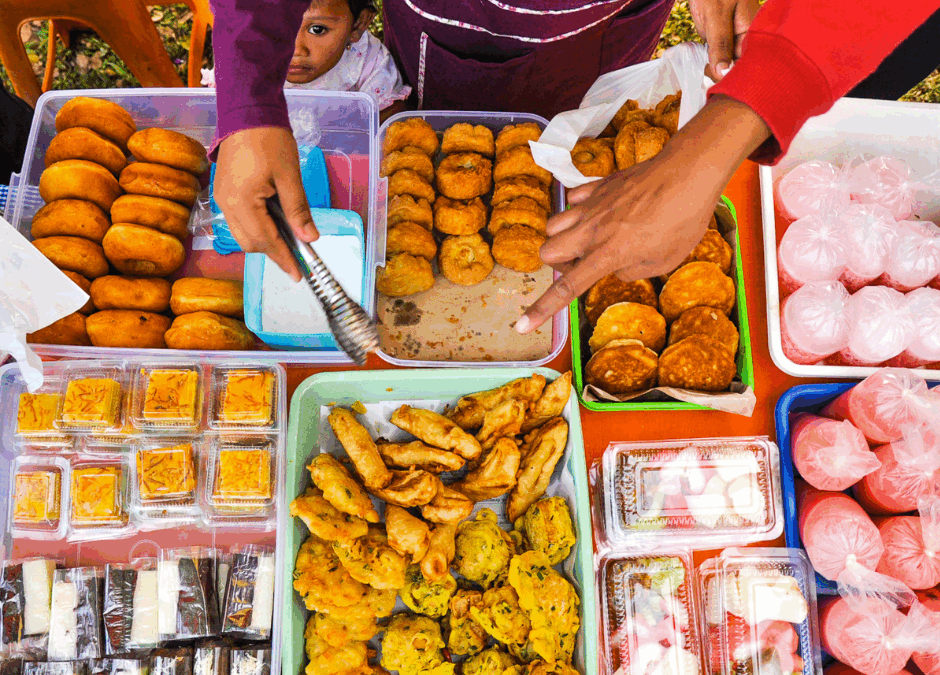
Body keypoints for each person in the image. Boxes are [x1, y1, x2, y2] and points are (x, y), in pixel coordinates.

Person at [210, 0, 940, 330]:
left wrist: (728, 127)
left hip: (603, 20)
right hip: (456, 23)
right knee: (464, 97)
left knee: (582, 91)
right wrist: (246, 87)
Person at [201, 0, 410, 117]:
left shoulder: (368, 62)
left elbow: (391, 118)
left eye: (317, 29)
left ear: (358, 24)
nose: (295, 50)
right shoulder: (247, 56)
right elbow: (214, 116)